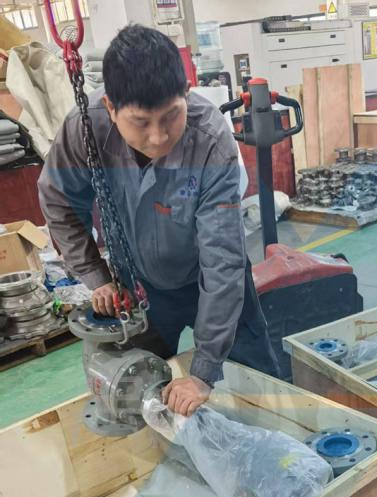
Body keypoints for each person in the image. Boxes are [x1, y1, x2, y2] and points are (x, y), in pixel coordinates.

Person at [39, 24, 279, 418]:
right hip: (140, 286)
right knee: (135, 392)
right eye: (141, 122)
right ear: (111, 108)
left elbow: (222, 259)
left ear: (187, 90)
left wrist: (202, 372)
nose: (157, 137)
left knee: (262, 386)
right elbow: (59, 202)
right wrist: (97, 276)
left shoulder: (210, 140)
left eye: (171, 117)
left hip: (210, 278)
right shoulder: (86, 128)